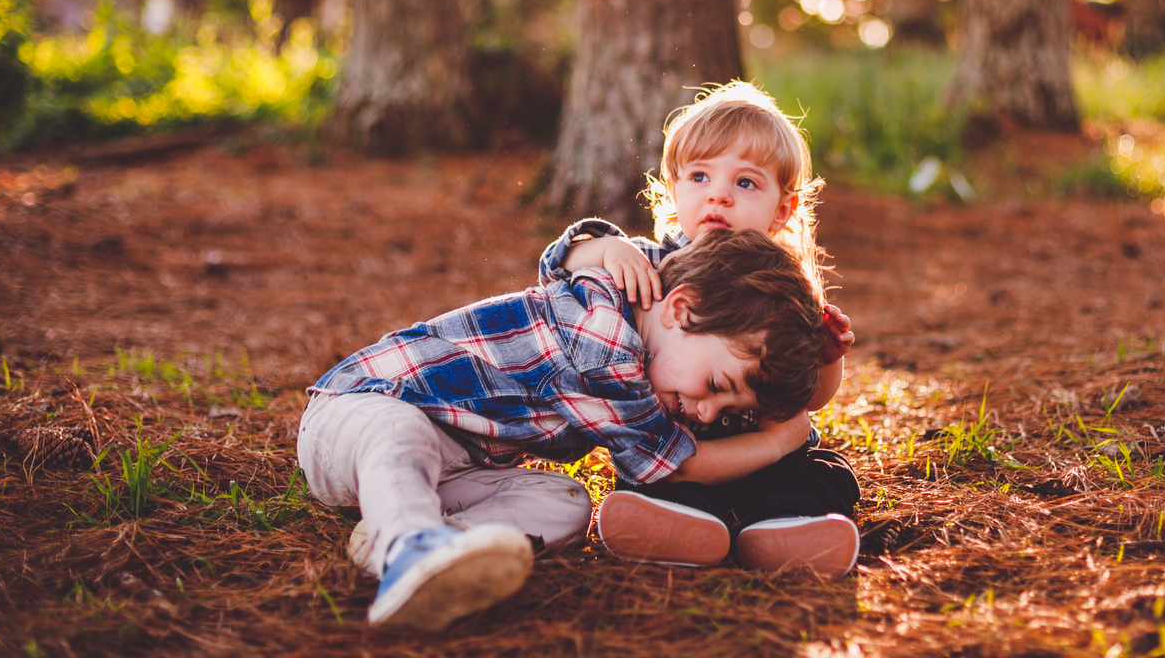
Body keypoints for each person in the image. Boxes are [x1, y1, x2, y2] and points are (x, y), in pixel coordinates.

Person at [297, 228, 826, 631]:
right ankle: (408, 547)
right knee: (400, 434)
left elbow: (589, 251)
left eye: (730, 405)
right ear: (681, 309)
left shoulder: (651, 294)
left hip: (454, 464)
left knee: (568, 504)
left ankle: (420, 543)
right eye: (717, 383)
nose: (709, 413)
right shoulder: (607, 350)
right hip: (356, 413)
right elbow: (676, 467)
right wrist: (777, 440)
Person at [538, 81, 861, 579]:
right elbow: (558, 272)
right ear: (673, 186)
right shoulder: (651, 266)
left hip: (765, 455)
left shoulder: (785, 291)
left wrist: (827, 357)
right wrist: (603, 250)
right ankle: (681, 525)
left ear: (783, 209)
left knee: (821, 472)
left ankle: (785, 527)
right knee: (654, 483)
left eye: (745, 184)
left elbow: (804, 401)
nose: (718, 195)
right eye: (700, 176)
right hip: (672, 451)